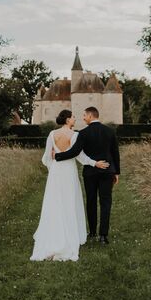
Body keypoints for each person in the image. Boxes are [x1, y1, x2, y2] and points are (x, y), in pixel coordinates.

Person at [30, 109, 109, 262]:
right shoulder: (75, 135)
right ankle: (72, 234)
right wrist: (95, 163)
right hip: (69, 172)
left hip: (55, 173)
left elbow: (46, 158)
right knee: (70, 201)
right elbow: (80, 156)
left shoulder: (52, 135)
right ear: (67, 120)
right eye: (72, 117)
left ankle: (53, 233)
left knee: (55, 202)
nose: (75, 119)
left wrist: (52, 168)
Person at [54, 106, 120, 245]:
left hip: (90, 173)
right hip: (107, 171)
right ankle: (103, 236)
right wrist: (116, 172)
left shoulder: (83, 133)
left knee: (91, 201)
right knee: (106, 202)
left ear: (90, 116)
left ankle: (92, 232)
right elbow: (115, 154)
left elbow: (74, 152)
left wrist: (57, 156)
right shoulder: (110, 131)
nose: (83, 118)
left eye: (84, 115)